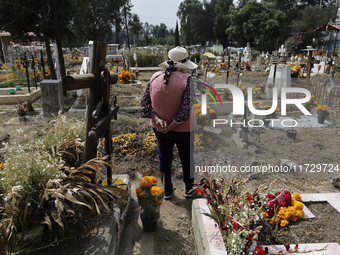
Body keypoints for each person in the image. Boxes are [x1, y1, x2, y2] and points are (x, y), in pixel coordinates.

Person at [141, 46, 197, 200]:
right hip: (184, 130)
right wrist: (172, 125)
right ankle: (189, 189)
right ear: (184, 66)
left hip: (159, 128)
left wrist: (158, 120)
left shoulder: (154, 78)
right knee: (187, 158)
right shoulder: (188, 81)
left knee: (164, 158)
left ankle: (167, 190)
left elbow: (145, 103)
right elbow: (186, 110)